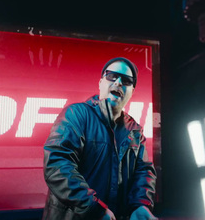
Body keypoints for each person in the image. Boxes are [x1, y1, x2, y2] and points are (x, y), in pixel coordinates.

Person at [42, 57, 157, 220]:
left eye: (126, 80)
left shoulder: (135, 130)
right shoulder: (77, 114)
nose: (118, 82)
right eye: (112, 76)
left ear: (132, 92)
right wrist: (93, 208)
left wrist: (140, 204)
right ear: (101, 82)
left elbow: (144, 170)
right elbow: (57, 164)